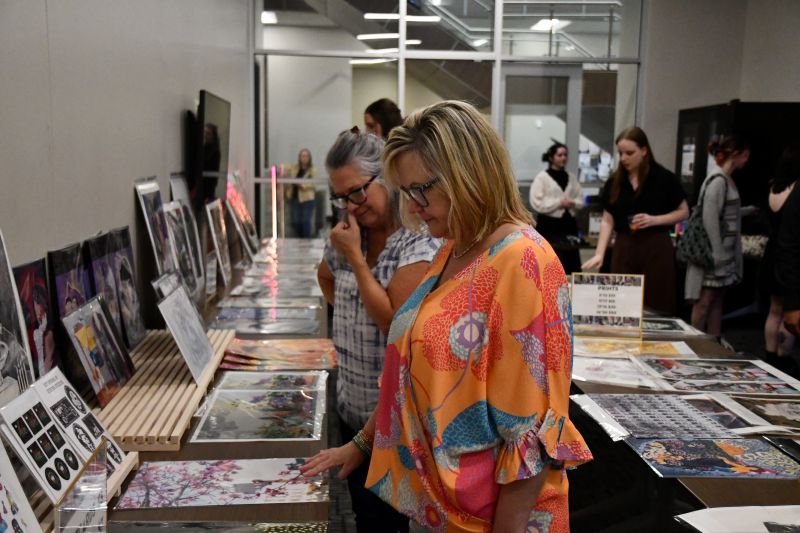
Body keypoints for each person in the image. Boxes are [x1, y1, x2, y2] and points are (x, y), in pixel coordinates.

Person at [303, 101, 592, 531]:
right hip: (439, 506)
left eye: (423, 189)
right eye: (407, 191)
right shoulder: (453, 249)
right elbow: (412, 370)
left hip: (488, 518)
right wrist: (362, 443)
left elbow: (532, 436)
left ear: (469, 173)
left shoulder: (524, 262)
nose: (415, 206)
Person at [315, 129, 440, 532]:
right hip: (351, 406)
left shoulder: (416, 241)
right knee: (361, 517)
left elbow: (391, 320)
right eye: (340, 197)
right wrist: (351, 307)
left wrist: (355, 259)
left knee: (386, 522)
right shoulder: (352, 232)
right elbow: (326, 277)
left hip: (392, 425)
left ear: (384, 178)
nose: (350, 205)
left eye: (357, 192)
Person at [582, 127, 689, 315]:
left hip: (656, 246)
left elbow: (683, 212)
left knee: (656, 301)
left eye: (629, 153)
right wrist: (599, 253)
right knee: (622, 302)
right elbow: (608, 219)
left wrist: (655, 220)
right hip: (625, 246)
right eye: (620, 153)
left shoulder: (663, 178)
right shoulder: (615, 181)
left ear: (644, 150)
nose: (623, 158)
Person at [685, 136, 750, 337]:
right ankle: (697, 343)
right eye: (745, 155)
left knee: (716, 301)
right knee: (705, 301)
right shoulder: (718, 180)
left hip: (723, 252)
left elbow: (723, 212)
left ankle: (713, 341)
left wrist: (745, 211)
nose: (747, 160)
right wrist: (718, 252)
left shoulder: (726, 179)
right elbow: (710, 217)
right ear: (736, 155)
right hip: (715, 255)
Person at [762, 144, 799, 369]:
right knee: (788, 310)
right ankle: (784, 355)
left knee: (773, 310)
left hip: (771, 253)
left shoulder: (773, 188)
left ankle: (769, 353)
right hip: (789, 256)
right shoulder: (796, 191)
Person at [529, 142, 584, 274]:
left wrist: (572, 203)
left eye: (565, 155)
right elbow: (537, 202)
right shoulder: (542, 178)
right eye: (559, 155)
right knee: (549, 260)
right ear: (551, 157)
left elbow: (580, 199)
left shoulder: (571, 177)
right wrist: (559, 202)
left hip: (568, 224)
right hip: (549, 225)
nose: (563, 158)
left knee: (570, 262)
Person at [286, 148, 317, 238]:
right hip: (295, 198)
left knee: (306, 222)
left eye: (306, 156)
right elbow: (285, 168)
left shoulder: (312, 170)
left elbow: (313, 184)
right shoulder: (295, 168)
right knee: (296, 222)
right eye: (302, 156)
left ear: (309, 158)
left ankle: (307, 242)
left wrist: (302, 185)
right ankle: (300, 240)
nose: (304, 158)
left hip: (307, 199)